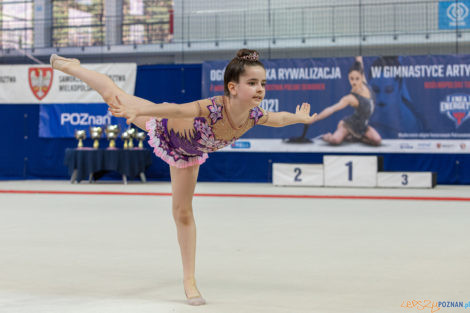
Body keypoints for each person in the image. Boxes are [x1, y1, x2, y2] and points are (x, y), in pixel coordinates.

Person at [50, 49, 317, 306]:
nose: (260, 88)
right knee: (114, 95)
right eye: (252, 83)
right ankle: (71, 66)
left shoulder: (253, 115)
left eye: (263, 83)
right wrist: (140, 114)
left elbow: (278, 118)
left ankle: (189, 280)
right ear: (233, 87)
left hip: (188, 155)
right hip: (166, 127)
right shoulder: (214, 108)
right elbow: (177, 111)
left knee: (183, 213)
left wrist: (298, 117)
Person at [316, 57, 381, 146]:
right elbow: (332, 109)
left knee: (377, 140)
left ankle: (356, 137)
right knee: (335, 140)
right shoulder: (351, 98)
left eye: (357, 79)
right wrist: (315, 118)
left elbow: (359, 61)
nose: (354, 82)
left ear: (362, 77)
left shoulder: (365, 84)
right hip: (349, 125)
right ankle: (328, 136)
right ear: (348, 78)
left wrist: (358, 53)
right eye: (351, 79)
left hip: (362, 127)